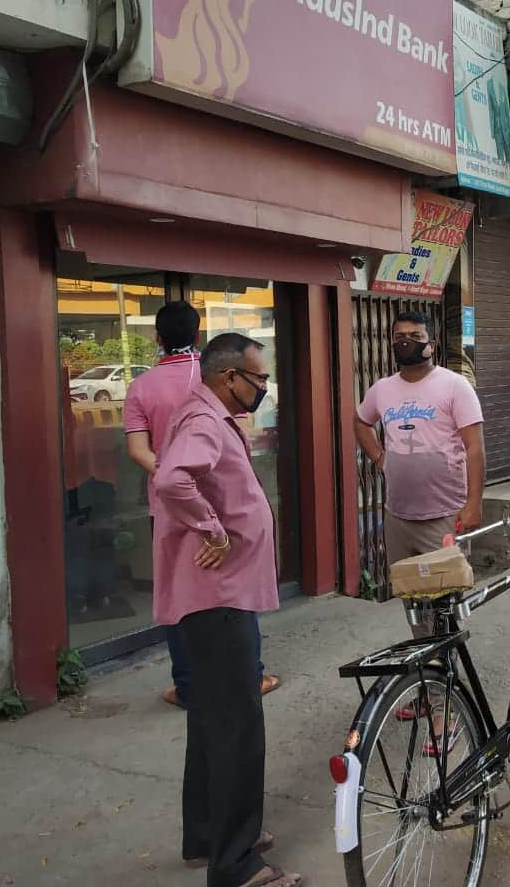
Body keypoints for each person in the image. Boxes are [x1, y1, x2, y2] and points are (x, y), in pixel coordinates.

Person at [153, 333, 300, 887]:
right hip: (217, 600)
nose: (263, 388)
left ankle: (209, 836)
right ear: (227, 377)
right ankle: (236, 864)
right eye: (258, 379)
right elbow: (172, 480)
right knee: (237, 726)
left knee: (212, 721)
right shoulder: (205, 421)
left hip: (215, 598)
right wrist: (210, 525)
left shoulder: (209, 415)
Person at [124, 302, 280, 710]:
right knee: (224, 605)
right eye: (259, 379)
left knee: (185, 597)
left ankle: (188, 683)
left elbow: (139, 450)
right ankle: (244, 678)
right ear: (198, 337)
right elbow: (179, 474)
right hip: (209, 520)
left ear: (157, 338)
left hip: (178, 510)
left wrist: (166, 471)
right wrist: (204, 514)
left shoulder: (143, 386)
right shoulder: (207, 393)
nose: (262, 387)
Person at [354, 310, 486, 638]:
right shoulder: (382, 389)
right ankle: (429, 673)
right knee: (412, 598)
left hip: (444, 514)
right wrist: (381, 458)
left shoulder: (454, 386)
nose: (405, 342)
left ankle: (451, 672)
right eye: (399, 336)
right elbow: (361, 421)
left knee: (444, 597)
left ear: (432, 344)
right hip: (398, 516)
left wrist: (473, 504)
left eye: (415, 336)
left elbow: (475, 448)